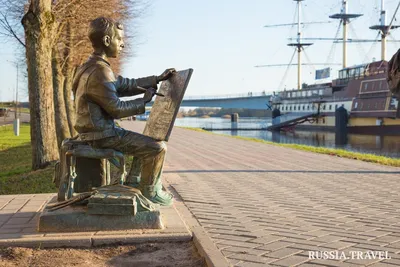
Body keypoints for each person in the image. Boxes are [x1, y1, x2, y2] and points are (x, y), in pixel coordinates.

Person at [72, 17, 175, 206]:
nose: (123, 45)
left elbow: (124, 84)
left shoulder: (91, 66)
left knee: (143, 142)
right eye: (119, 39)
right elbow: (117, 109)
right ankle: (150, 191)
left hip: (94, 131)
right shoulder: (99, 72)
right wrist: (143, 101)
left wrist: (156, 79)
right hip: (101, 135)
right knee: (156, 148)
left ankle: (134, 182)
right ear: (106, 41)